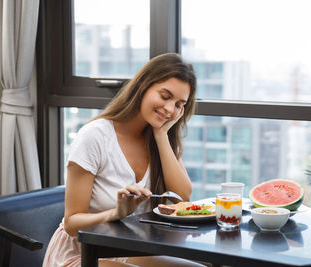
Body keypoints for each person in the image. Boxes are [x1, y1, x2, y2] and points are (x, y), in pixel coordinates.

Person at [42, 53, 204, 267]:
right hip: (81, 255)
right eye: (165, 96)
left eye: (178, 104)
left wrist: (161, 136)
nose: (169, 109)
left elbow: (181, 197)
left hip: (126, 249)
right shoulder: (94, 136)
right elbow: (72, 224)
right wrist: (116, 213)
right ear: (143, 87)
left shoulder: (161, 138)